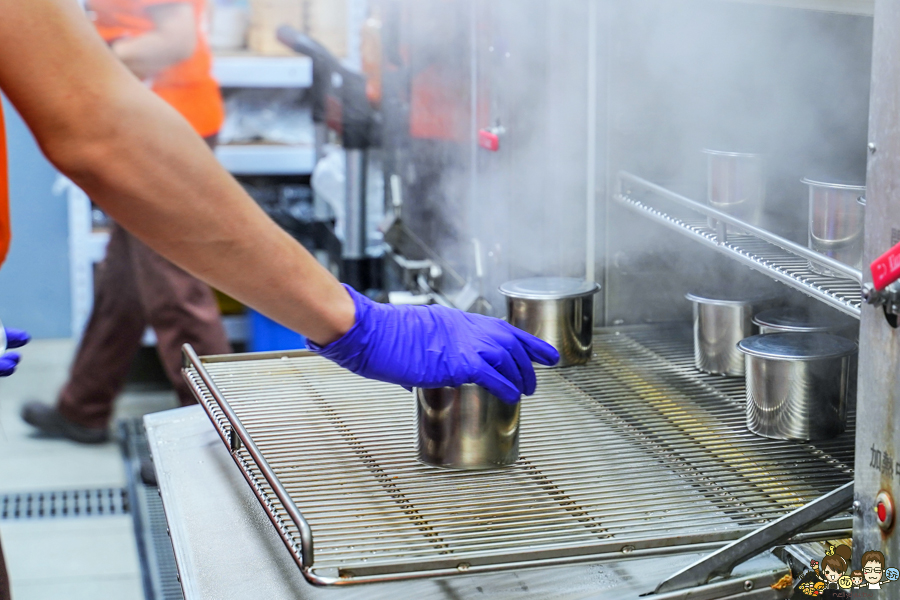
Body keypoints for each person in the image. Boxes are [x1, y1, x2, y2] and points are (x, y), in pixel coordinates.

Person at [0, 0, 558, 592]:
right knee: (160, 286)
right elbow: (97, 124)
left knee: (144, 277)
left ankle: (87, 408)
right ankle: (165, 423)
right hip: (157, 124)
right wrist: (353, 321)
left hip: (177, 112)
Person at [21, 0, 233, 444]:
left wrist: (94, 62)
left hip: (166, 130)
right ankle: (83, 407)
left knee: (173, 286)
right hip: (143, 124)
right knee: (124, 279)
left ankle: (221, 438)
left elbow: (175, 42)